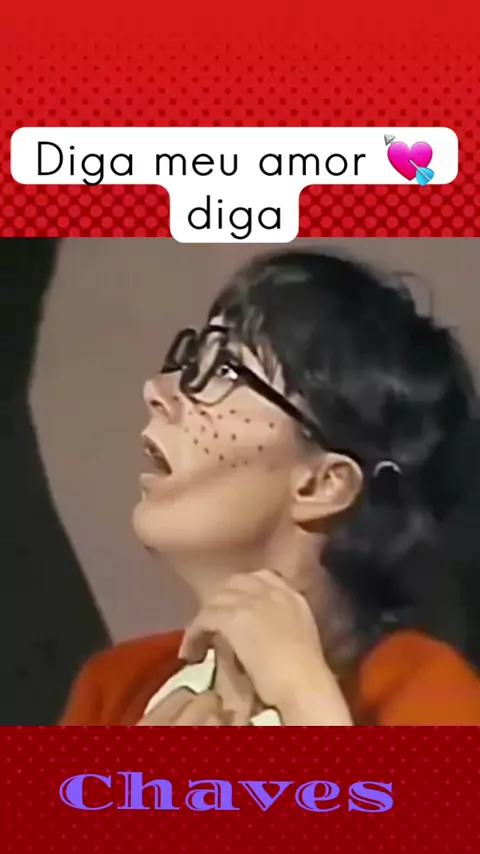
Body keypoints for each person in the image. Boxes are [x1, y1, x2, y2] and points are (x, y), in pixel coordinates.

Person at [59, 249, 480, 725]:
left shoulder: (426, 693)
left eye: (225, 371)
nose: (157, 389)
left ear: (321, 484)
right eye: (192, 358)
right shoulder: (114, 687)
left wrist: (305, 701)